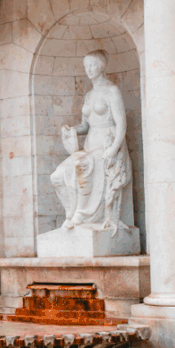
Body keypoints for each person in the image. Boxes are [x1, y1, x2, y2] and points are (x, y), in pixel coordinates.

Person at [49, 49, 134, 233]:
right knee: (57, 176)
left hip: (106, 143)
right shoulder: (88, 95)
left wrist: (113, 149)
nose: (88, 69)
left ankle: (82, 213)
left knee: (81, 169)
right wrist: (71, 130)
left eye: (92, 65)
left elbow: (121, 124)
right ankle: (71, 212)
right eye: (86, 66)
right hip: (90, 144)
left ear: (101, 66)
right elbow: (84, 126)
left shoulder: (112, 91)